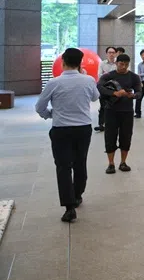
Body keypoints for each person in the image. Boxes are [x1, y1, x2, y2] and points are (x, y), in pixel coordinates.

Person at [35, 48, 100, 223]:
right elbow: (95, 98)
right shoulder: (88, 80)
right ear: (80, 63)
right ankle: (77, 195)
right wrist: (85, 76)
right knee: (80, 163)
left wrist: (50, 115)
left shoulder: (53, 83)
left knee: (63, 167)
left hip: (61, 129)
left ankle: (69, 207)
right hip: (83, 129)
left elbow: (39, 107)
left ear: (63, 61)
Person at [97, 54, 141, 174]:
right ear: (116, 63)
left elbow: (139, 92)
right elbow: (99, 87)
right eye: (121, 64)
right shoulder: (108, 76)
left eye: (126, 65)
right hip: (111, 111)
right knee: (110, 136)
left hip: (127, 111)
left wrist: (133, 95)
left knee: (126, 136)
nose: (124, 67)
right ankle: (111, 163)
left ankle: (123, 162)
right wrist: (114, 94)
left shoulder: (134, 77)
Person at [95, 46, 118, 132]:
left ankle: (113, 124)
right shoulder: (102, 63)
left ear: (115, 53)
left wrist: (106, 75)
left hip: (115, 89)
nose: (111, 54)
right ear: (106, 54)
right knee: (103, 107)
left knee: (115, 107)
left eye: (113, 52)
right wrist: (110, 76)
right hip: (104, 88)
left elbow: (118, 77)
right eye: (109, 52)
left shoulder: (118, 63)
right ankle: (101, 124)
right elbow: (100, 76)